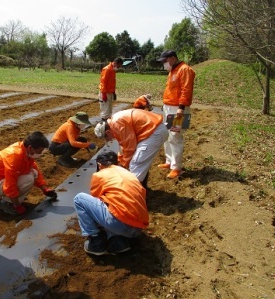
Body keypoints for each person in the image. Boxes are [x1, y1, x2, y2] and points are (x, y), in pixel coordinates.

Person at [73, 151, 148, 255]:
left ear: (99, 164)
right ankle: (118, 242)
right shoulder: (128, 173)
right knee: (113, 204)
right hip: (138, 227)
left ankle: (96, 242)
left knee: (79, 199)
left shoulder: (100, 175)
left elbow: (97, 199)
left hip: (121, 225)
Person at [0, 131, 58, 215]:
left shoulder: (25, 152)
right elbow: (10, 184)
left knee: (33, 173)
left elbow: (33, 168)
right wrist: (17, 205)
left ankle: (10, 200)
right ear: (30, 147)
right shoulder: (14, 157)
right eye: (39, 151)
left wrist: (44, 188)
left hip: (1, 179)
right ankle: (5, 203)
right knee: (28, 179)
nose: (40, 154)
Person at [94, 108, 168, 188]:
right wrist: (120, 160)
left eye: (108, 138)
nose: (110, 139)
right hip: (152, 130)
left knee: (136, 164)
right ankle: (141, 189)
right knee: (140, 164)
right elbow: (123, 146)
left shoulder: (117, 124)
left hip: (153, 132)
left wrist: (124, 165)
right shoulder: (115, 122)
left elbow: (130, 148)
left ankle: (133, 193)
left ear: (107, 132)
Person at [157, 50, 196, 179]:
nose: (164, 64)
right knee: (167, 135)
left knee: (175, 136)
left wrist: (181, 108)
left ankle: (176, 167)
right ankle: (169, 161)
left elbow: (186, 89)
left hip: (178, 109)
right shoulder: (173, 70)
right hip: (169, 107)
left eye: (165, 61)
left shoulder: (185, 70)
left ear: (173, 58)